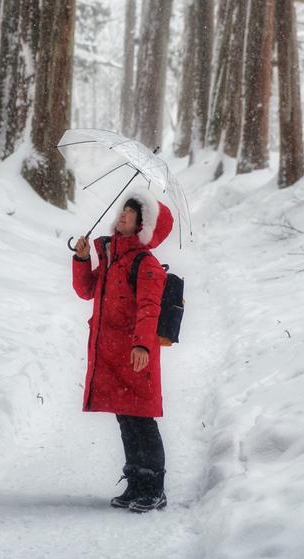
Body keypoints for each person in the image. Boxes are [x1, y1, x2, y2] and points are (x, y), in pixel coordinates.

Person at [72, 188, 174, 512]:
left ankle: (154, 488)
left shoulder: (146, 264)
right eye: (122, 212)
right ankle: (135, 484)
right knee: (126, 419)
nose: (122, 217)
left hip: (135, 354)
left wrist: (142, 344)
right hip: (114, 353)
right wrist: (82, 258)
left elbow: (149, 308)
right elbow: (86, 290)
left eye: (130, 214)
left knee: (141, 420)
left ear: (142, 225)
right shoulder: (112, 259)